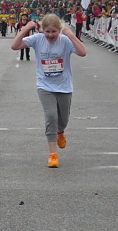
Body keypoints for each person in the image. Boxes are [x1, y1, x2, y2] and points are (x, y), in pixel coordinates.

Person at [11, 14, 87, 168]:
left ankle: (60, 132)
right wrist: (26, 28)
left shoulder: (65, 40)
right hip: (45, 86)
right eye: (47, 32)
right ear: (42, 30)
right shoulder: (37, 39)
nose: (50, 35)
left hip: (64, 86)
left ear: (59, 30)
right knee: (51, 116)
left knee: (63, 120)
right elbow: (15, 46)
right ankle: (53, 154)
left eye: (54, 32)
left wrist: (71, 35)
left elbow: (82, 52)